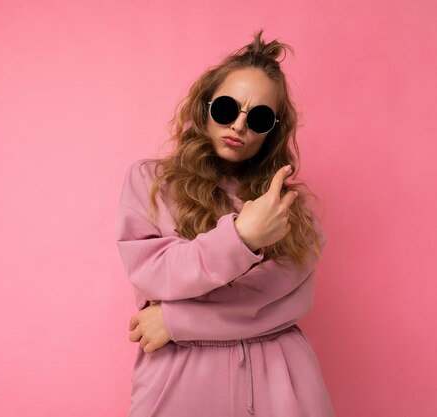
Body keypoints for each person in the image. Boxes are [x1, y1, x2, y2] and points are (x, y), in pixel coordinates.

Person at [115, 30, 336, 417]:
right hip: (179, 382)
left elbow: (282, 303)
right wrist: (241, 238)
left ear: (273, 131)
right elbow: (157, 274)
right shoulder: (151, 183)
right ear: (205, 106)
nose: (238, 126)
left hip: (282, 380)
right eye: (226, 109)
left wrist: (175, 319)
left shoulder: (288, 207)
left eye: (259, 118)